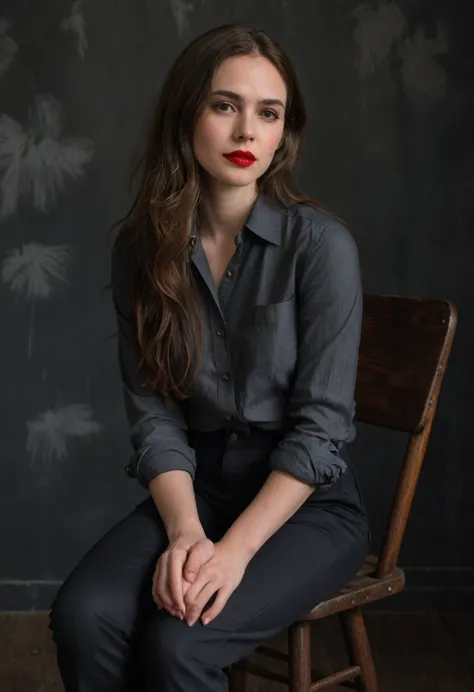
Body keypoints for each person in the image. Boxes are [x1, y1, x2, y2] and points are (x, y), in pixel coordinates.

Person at [49, 22, 370, 692]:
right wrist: (188, 534)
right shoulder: (140, 250)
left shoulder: (321, 248)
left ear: (285, 132)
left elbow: (320, 432)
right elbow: (154, 417)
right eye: (225, 105)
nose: (246, 131)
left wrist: (234, 553)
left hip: (304, 506)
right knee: (84, 615)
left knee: (179, 647)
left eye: (268, 113)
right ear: (186, 112)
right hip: (198, 489)